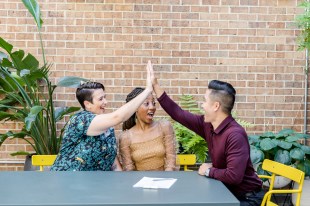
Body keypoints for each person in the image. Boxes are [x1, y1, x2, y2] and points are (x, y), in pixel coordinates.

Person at [149, 62, 264, 206]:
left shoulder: (235, 135)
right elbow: (178, 113)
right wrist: (155, 84)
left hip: (246, 199)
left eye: (205, 101)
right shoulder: (208, 125)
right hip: (225, 192)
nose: (202, 105)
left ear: (216, 106)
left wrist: (209, 171)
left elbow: (234, 176)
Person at [50, 61, 153, 171]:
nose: (105, 102)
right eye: (100, 99)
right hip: (67, 181)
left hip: (94, 185)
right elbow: (117, 117)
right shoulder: (81, 119)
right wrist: (147, 90)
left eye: (105, 97)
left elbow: (113, 163)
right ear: (87, 104)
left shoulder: (108, 127)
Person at [119, 87, 177, 171]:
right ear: (135, 108)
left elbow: (171, 162)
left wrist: (164, 181)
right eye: (146, 103)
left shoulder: (164, 127)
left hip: (165, 180)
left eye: (153, 103)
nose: (152, 107)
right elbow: (129, 170)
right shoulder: (126, 137)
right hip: (139, 182)